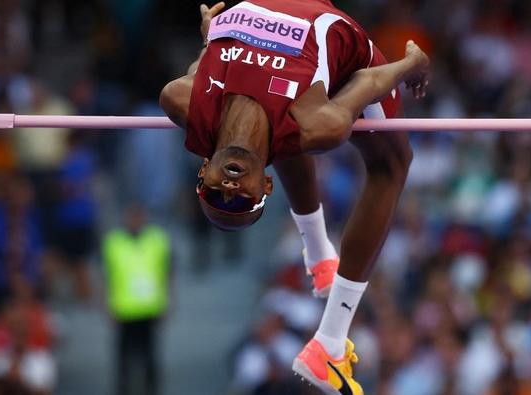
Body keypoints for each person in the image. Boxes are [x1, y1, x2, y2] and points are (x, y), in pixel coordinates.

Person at [159, 1, 430, 394]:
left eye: (217, 194)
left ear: (204, 168)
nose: (231, 190)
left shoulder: (180, 100)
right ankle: (330, 343)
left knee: (274, 134)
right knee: (392, 164)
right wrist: (412, 65)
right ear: (266, 186)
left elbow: (204, 65)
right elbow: (367, 83)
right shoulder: (319, 124)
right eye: (241, 201)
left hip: (257, 16)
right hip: (348, 60)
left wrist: (210, 35)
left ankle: (319, 256)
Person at [102, 206, 171, 395]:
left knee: (149, 354)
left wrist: (167, 301)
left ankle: (152, 389)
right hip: (124, 308)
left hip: (150, 307)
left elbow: (166, 273)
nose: (135, 221)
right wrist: (107, 303)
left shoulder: (158, 240)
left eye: (138, 216)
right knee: (124, 356)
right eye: (131, 217)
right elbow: (108, 275)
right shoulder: (113, 242)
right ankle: (122, 389)